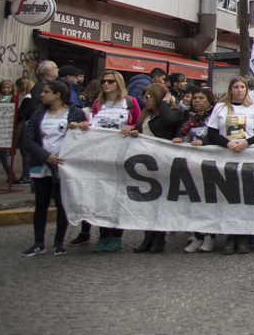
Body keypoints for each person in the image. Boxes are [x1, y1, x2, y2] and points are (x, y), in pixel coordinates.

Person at [70, 70, 141, 251]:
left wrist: (131, 127)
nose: (106, 84)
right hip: (100, 156)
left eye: (110, 81)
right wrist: (84, 126)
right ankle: (103, 236)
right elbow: (94, 125)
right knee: (101, 196)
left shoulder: (130, 102)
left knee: (117, 197)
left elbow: (138, 124)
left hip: (120, 156)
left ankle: (116, 236)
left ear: (118, 83)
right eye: (103, 81)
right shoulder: (97, 103)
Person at [19, 79, 85, 256]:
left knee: (62, 204)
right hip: (41, 164)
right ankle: (38, 243)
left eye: (46, 92)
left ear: (57, 95)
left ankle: (59, 242)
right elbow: (29, 140)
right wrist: (45, 157)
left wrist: (82, 127)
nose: (42, 94)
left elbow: (83, 139)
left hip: (63, 166)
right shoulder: (38, 114)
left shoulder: (75, 113)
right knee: (41, 203)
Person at [205, 76, 254, 255]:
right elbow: (211, 133)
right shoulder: (220, 108)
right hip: (226, 156)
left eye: (242, 87)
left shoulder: (253, 109)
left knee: (245, 196)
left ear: (247, 90)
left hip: (246, 157)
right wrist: (228, 143)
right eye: (236, 87)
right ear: (230, 90)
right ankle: (230, 236)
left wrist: (246, 143)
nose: (239, 90)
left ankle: (244, 237)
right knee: (230, 197)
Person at [125, 84, 182, 254]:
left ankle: (159, 239)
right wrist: (134, 131)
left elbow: (169, 122)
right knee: (147, 203)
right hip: (146, 162)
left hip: (163, 162)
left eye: (148, 97)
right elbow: (142, 130)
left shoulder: (173, 112)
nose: (145, 100)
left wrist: (163, 104)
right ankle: (148, 237)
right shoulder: (145, 114)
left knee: (160, 203)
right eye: (144, 97)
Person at [173, 87, 218, 253]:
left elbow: (217, 135)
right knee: (194, 200)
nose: (197, 101)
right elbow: (179, 133)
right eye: (195, 98)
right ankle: (197, 235)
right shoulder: (187, 117)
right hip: (190, 163)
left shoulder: (214, 116)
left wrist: (204, 142)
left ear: (209, 101)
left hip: (209, 162)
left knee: (209, 200)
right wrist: (178, 138)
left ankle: (210, 235)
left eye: (201, 98)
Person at [14, 61, 56, 186]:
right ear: (47, 71)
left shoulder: (50, 85)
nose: (57, 70)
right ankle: (33, 180)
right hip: (39, 125)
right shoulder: (39, 88)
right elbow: (37, 107)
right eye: (55, 68)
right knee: (32, 153)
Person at [0, 78, 14, 178]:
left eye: (8, 88)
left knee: (3, 153)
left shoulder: (13, 99)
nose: (6, 90)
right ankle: (11, 174)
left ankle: (11, 174)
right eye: (4, 88)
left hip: (7, 129)